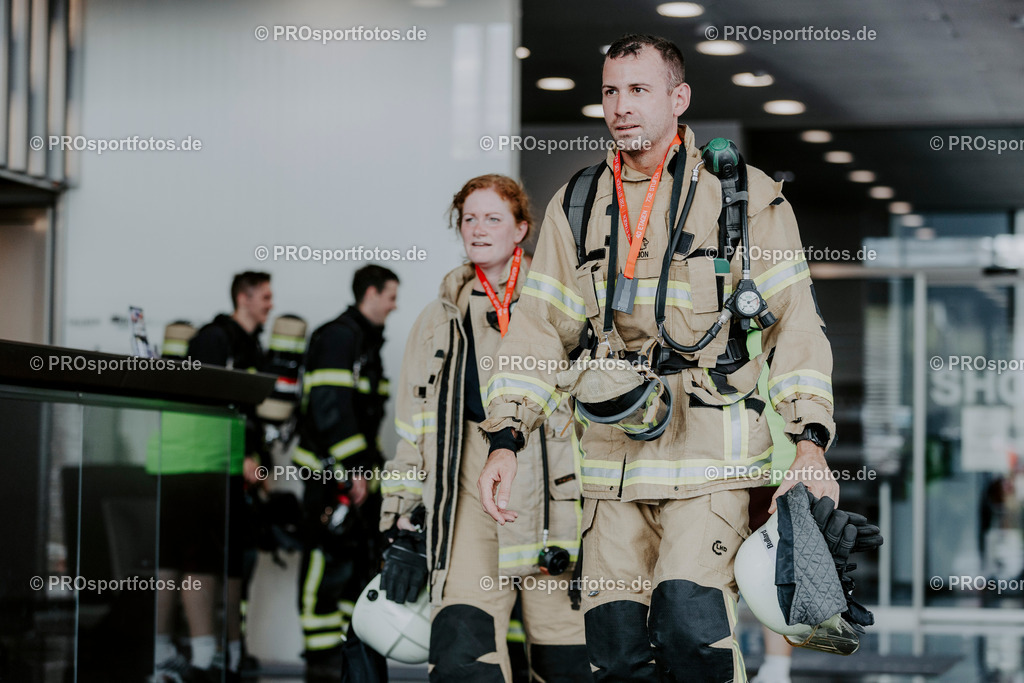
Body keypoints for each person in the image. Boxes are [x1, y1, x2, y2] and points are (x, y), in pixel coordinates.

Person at [477, 34, 838, 682]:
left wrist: (809, 440)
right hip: (614, 463)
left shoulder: (745, 197)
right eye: (611, 91)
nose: (621, 105)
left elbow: (797, 323)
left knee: (689, 628)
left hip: (710, 460)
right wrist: (505, 435)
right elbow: (536, 328)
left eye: (639, 89)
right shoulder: (579, 203)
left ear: (679, 97)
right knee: (614, 647)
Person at [378, 174, 590, 682]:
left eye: (492, 217)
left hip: (554, 493)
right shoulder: (437, 318)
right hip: (464, 486)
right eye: (468, 218)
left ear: (521, 229)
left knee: (569, 655)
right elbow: (413, 426)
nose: (478, 228)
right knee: (461, 650)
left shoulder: (561, 304)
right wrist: (400, 511)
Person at [152, 271, 273, 683]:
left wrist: (255, 458)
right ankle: (201, 659)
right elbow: (204, 403)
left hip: (212, 464)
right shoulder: (213, 339)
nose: (270, 304)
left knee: (204, 561)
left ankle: (209, 652)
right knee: (194, 562)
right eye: (264, 297)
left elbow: (245, 414)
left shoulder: (247, 345)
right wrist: (242, 458)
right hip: (195, 463)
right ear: (243, 298)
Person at [294, 264, 399, 681]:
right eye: (391, 295)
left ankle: (344, 654)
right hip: (330, 476)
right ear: (370, 293)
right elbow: (331, 409)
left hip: (356, 477)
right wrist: (353, 470)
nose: (395, 305)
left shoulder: (362, 341)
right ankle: (320, 661)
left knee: (355, 564)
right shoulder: (340, 337)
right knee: (326, 559)